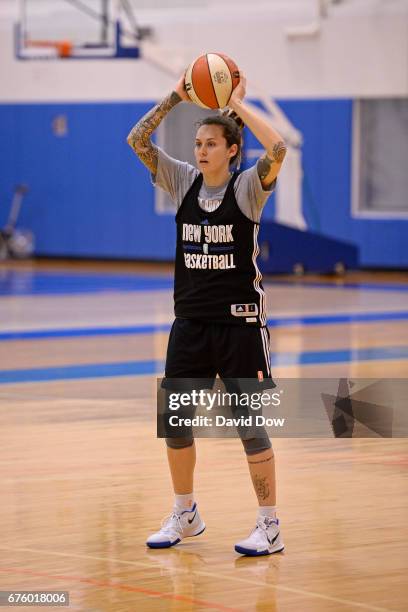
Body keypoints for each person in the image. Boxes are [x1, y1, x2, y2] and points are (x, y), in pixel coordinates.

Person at [127, 71, 287, 556]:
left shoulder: (247, 190)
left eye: (211, 143)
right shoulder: (182, 182)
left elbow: (278, 149)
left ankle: (269, 524)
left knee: (249, 428)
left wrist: (240, 104)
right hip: (189, 324)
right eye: (197, 143)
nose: (200, 150)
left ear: (232, 150)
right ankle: (186, 512)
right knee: (175, 423)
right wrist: (177, 95)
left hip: (239, 326)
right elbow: (137, 139)